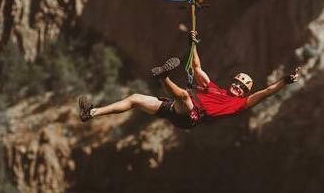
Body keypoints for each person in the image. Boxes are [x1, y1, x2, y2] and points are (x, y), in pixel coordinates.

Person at [78, 31, 300, 129]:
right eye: (236, 82)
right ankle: (92, 113)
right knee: (136, 98)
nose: (236, 86)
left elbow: (267, 92)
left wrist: (285, 81)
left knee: (184, 95)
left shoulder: (240, 104)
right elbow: (196, 67)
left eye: (241, 87)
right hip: (177, 108)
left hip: (191, 116)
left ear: (243, 93)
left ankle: (163, 77)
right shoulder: (214, 88)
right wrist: (193, 43)